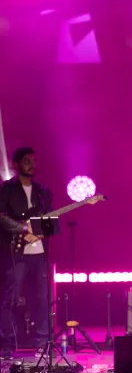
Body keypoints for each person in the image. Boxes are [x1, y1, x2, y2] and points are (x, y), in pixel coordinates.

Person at [0, 147, 53, 360]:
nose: (32, 164)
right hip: (16, 252)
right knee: (10, 299)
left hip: (39, 254)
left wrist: (39, 234)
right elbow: (1, 216)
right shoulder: (7, 189)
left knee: (42, 299)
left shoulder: (42, 191)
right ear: (16, 164)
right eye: (27, 161)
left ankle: (43, 345)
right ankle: (7, 346)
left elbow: (49, 220)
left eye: (34, 160)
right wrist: (23, 229)